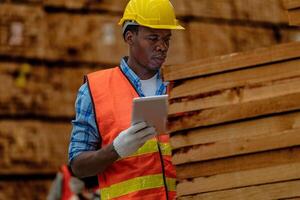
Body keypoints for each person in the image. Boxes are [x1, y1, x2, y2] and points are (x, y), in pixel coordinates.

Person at [68, 0, 184, 199]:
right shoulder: (95, 90)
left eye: (167, 39)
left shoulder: (180, 86)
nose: (162, 47)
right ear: (130, 37)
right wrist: (115, 150)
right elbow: (77, 165)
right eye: (153, 38)